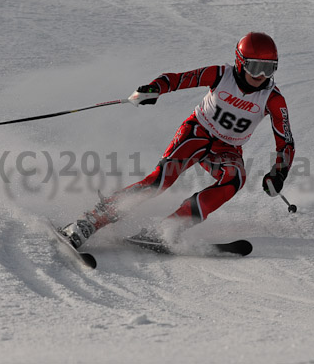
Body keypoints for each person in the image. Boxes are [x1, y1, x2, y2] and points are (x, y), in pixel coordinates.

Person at [58, 32, 295, 249]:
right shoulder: (221, 75)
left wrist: (279, 172)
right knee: (160, 180)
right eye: (255, 68)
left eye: (268, 69)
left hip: (227, 148)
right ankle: (90, 220)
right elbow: (181, 79)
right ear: (241, 62)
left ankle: (169, 228)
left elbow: (285, 141)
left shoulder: (272, 99)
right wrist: (155, 88)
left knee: (235, 180)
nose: (261, 76)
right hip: (197, 133)